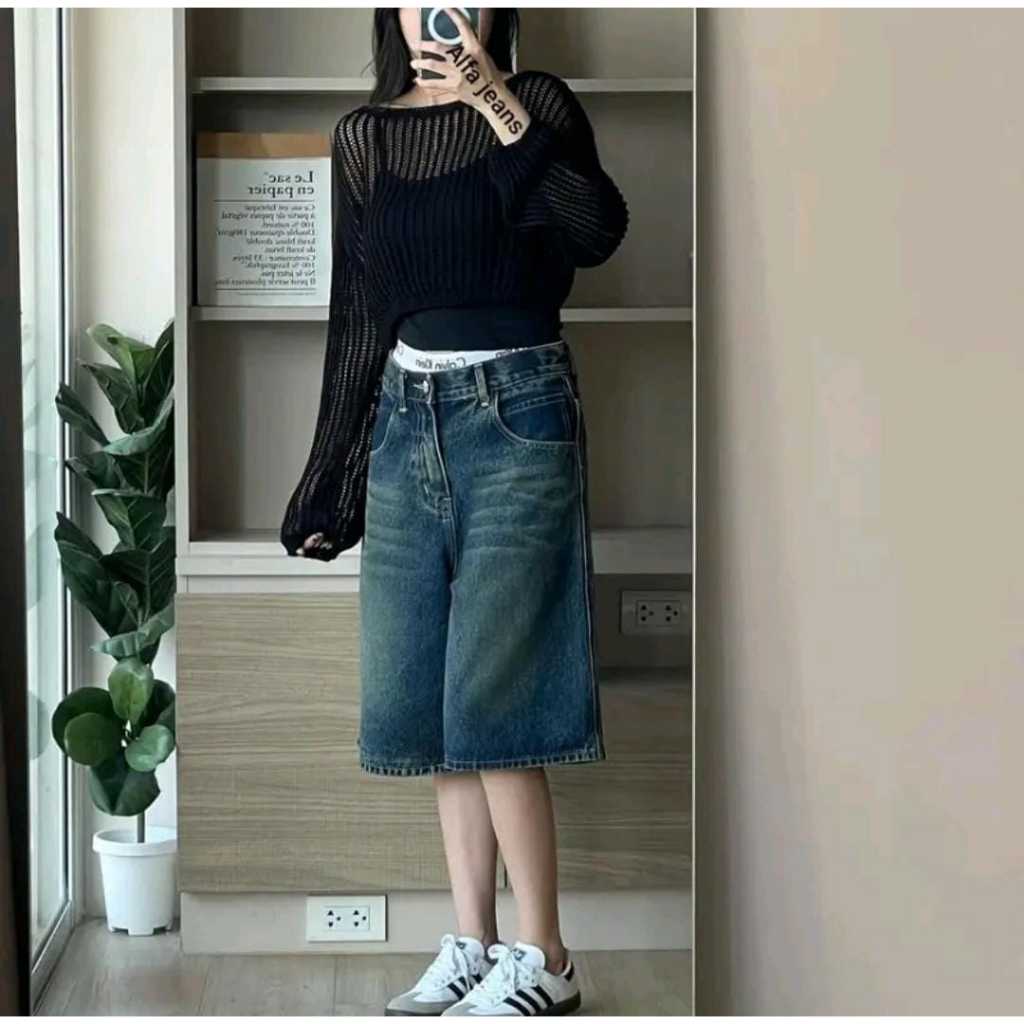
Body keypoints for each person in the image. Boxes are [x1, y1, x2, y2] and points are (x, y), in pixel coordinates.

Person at [280, 7, 628, 1016]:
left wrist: (494, 99)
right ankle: (474, 946)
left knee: (494, 698)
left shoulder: (539, 104)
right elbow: (359, 314)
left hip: (517, 412)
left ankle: (547, 958)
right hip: (403, 416)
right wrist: (331, 474)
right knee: (432, 705)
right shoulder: (365, 136)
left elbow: (597, 232)